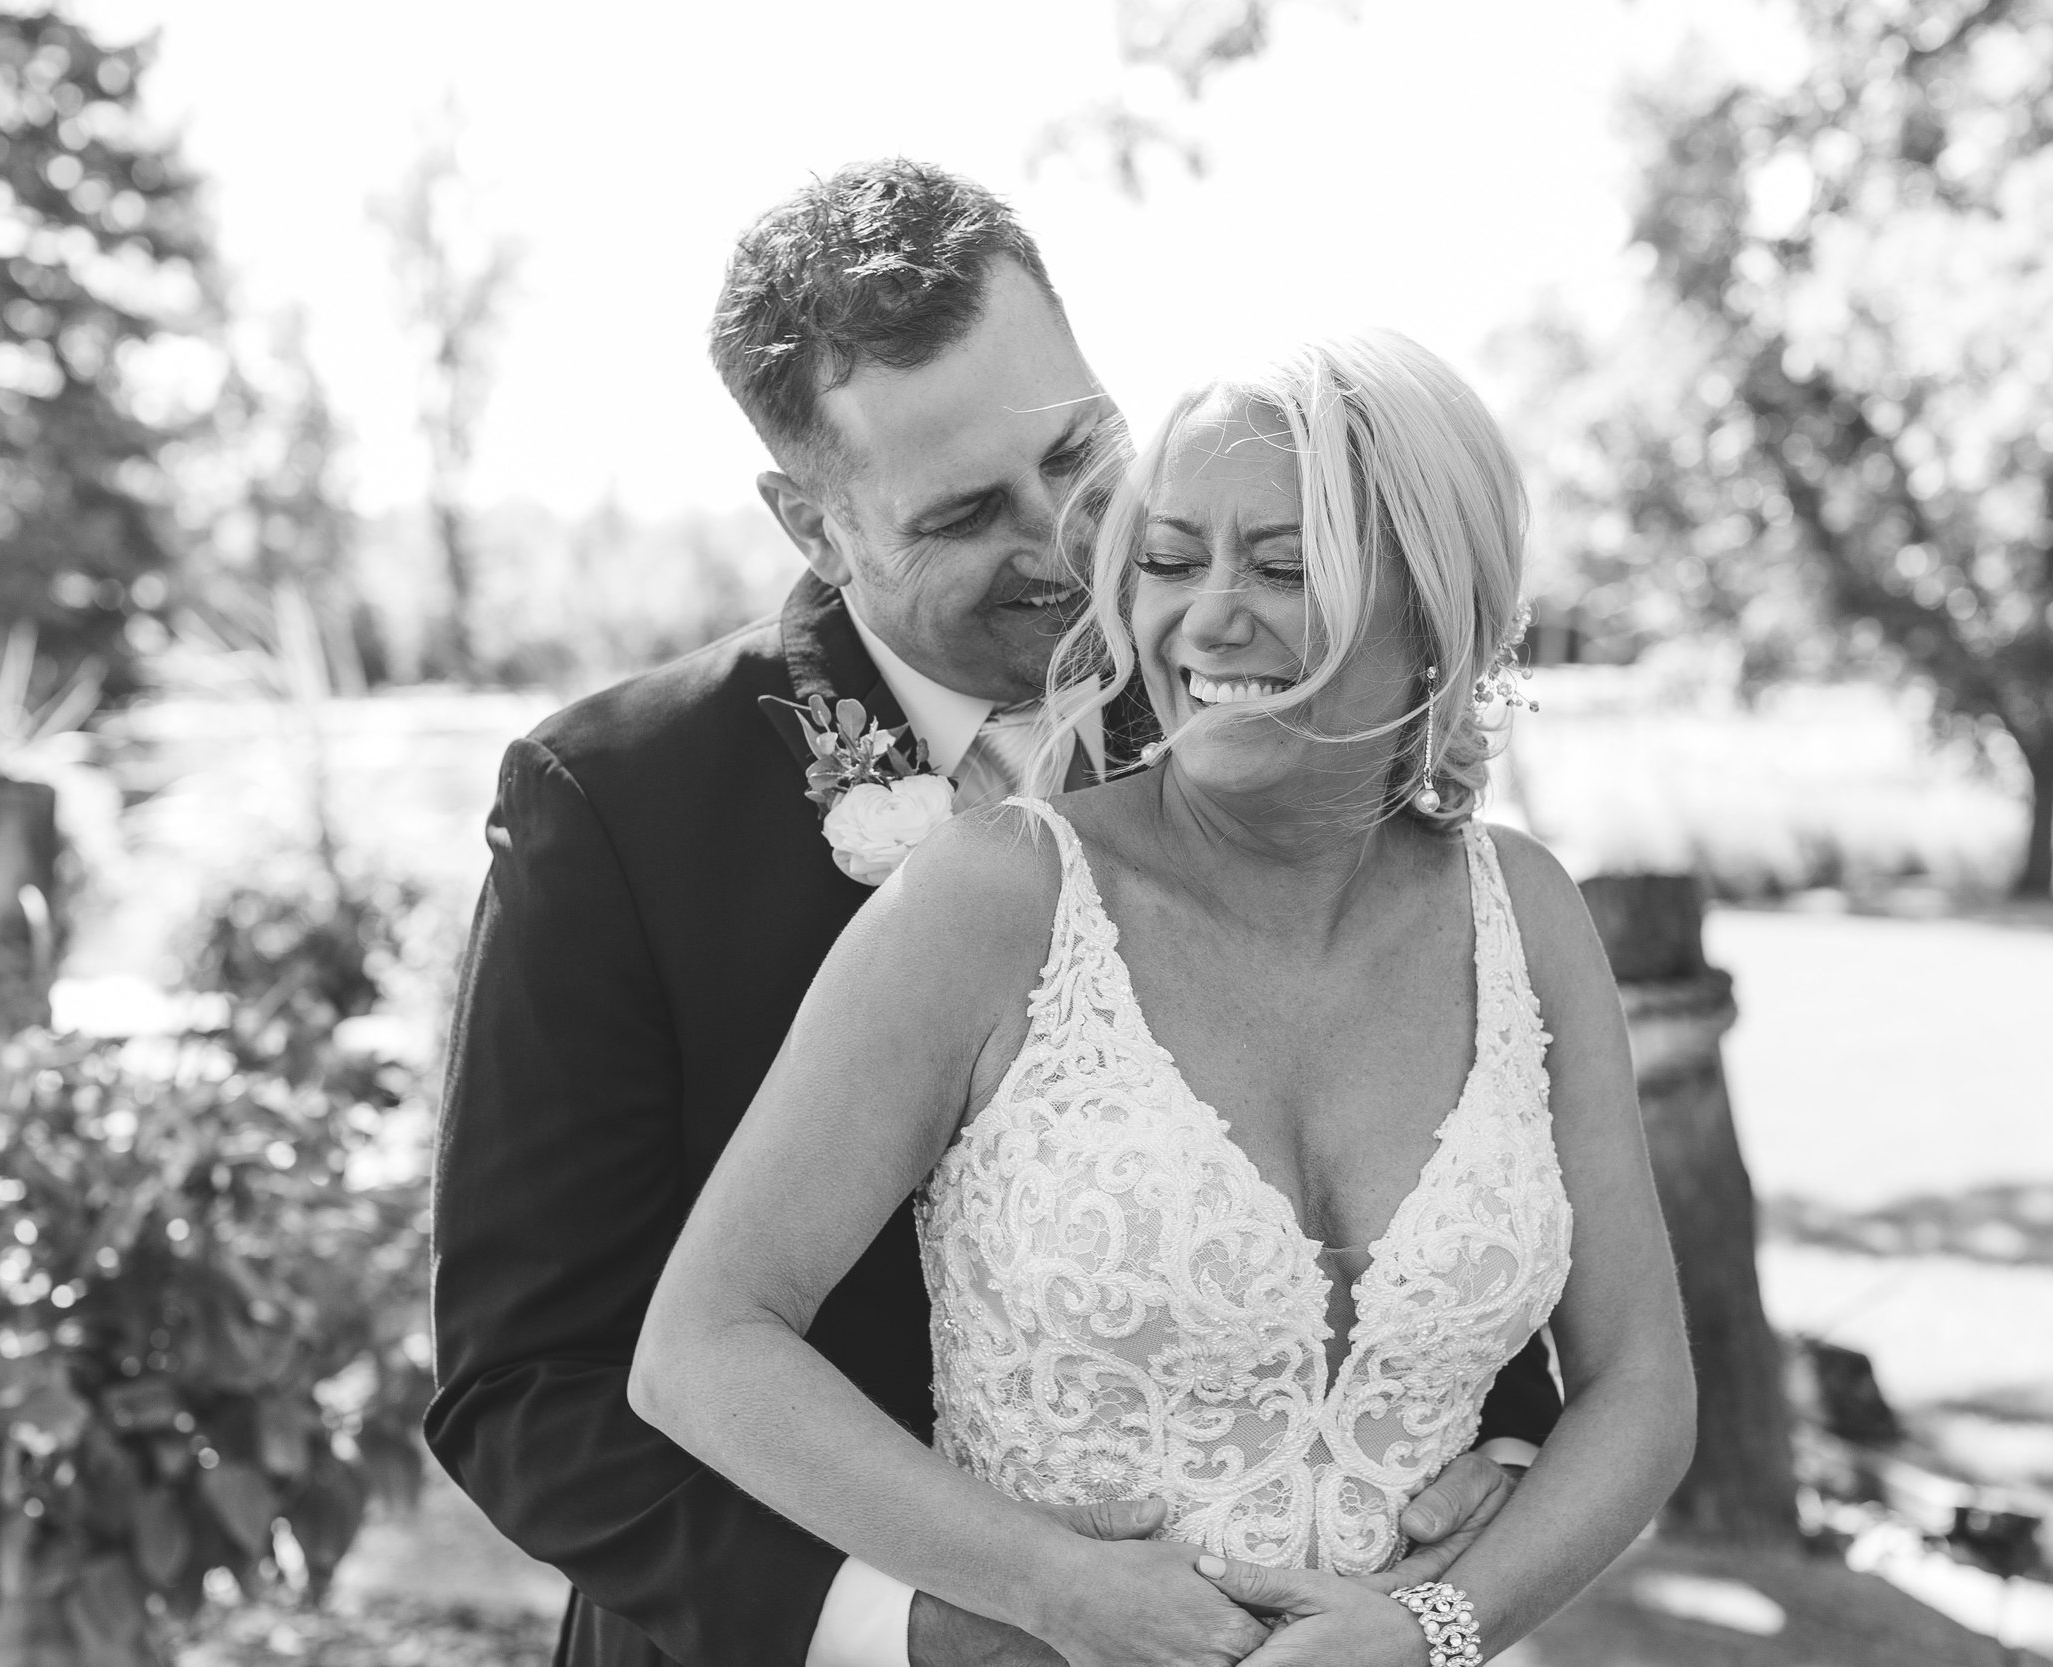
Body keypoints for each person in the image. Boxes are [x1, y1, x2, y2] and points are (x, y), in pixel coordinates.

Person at [425, 161, 1562, 1667]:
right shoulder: (618, 804)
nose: (1068, 539)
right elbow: (527, 1384)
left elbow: (1447, 1112)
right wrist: (921, 1627)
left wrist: (1492, 1461)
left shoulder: (1256, 708)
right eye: (965, 513)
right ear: (813, 526)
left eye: (1085, 451)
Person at [626, 329, 1697, 1666]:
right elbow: (705, 1346)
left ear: (1433, 604)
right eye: (1174, 561)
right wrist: (1049, 1589)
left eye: (1288, 565)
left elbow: (1641, 1386)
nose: (1209, 618)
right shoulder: (995, 903)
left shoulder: (1525, 912)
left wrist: (1435, 1627)